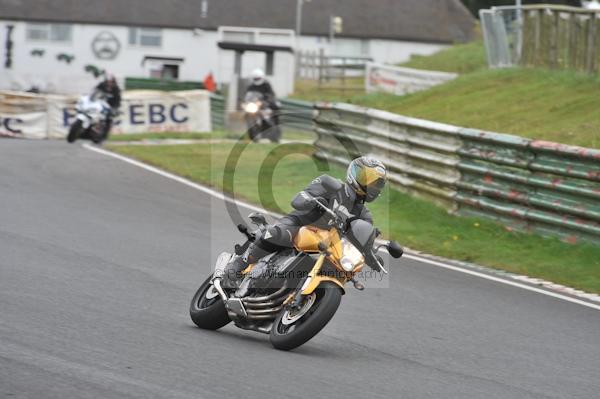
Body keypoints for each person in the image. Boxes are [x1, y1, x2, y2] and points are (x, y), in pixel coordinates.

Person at [223, 156, 388, 291]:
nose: (370, 185)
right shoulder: (330, 184)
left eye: (376, 183)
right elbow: (300, 198)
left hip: (327, 244)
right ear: (354, 174)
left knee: (339, 269)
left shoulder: (364, 216)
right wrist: (311, 200)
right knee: (275, 234)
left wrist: (372, 255)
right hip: (300, 224)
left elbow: (363, 239)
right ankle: (236, 267)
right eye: (366, 179)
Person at [95, 74, 121, 138]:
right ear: (106, 81)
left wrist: (115, 108)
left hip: (110, 105)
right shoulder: (101, 85)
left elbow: (118, 100)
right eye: (108, 81)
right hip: (99, 103)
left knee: (109, 118)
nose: (109, 83)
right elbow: (94, 91)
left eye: (111, 82)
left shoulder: (116, 89)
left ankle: (104, 133)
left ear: (114, 82)